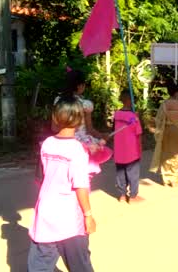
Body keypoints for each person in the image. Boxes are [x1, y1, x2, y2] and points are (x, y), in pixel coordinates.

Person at [28, 97, 95, 272]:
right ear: (80, 121)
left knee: (40, 264)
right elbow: (81, 186)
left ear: (55, 118)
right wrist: (88, 215)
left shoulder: (47, 144)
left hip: (45, 212)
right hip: (69, 218)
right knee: (80, 264)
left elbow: (42, 176)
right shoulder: (77, 150)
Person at [55, 69, 111, 177]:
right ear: (80, 86)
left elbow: (54, 128)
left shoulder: (58, 101)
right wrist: (102, 136)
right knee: (82, 177)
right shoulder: (85, 105)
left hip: (61, 143)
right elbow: (90, 129)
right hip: (81, 145)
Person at [150, 83, 178, 187]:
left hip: (167, 130)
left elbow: (159, 118)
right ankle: (174, 179)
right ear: (177, 92)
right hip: (177, 130)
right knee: (177, 154)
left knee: (166, 153)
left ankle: (166, 179)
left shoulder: (164, 103)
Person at [113, 89, 144, 203]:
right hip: (132, 149)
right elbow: (138, 133)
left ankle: (122, 195)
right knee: (133, 172)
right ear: (129, 101)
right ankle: (133, 196)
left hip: (119, 149)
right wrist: (140, 147)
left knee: (120, 172)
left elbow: (114, 130)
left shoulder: (117, 114)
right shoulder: (133, 116)